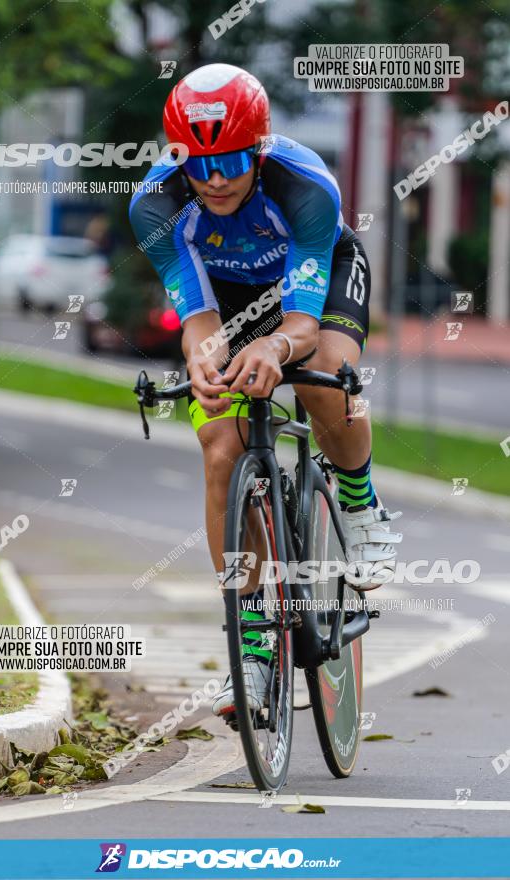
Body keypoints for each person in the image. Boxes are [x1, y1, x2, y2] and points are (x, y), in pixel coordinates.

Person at [130, 63, 402, 718]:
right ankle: (250, 652)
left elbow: (303, 325)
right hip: (225, 302)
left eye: (228, 159)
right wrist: (205, 360)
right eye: (198, 163)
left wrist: (275, 346)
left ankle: (361, 502)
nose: (215, 178)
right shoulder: (156, 206)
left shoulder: (303, 187)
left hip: (313, 284)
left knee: (323, 380)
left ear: (256, 149)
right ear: (178, 158)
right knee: (220, 448)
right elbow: (197, 320)